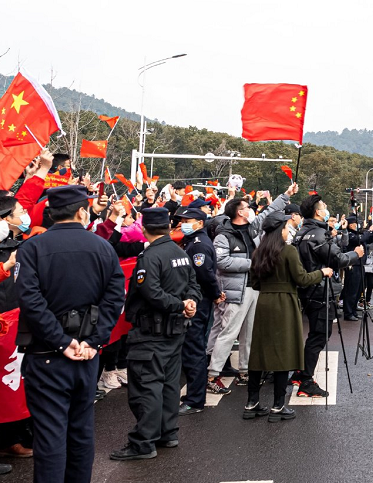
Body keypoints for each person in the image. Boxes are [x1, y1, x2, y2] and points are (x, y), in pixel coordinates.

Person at [15, 185, 126, 482]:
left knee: (50, 437)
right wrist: (94, 340)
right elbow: (115, 299)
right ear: (82, 211)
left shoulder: (32, 248)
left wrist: (62, 341)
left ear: (51, 213)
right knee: (80, 431)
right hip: (87, 355)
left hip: (47, 355)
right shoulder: (102, 247)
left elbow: (30, 301)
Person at [110, 207, 200, 461]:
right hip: (175, 330)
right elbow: (194, 284)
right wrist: (190, 301)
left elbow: (152, 293)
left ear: (145, 229)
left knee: (146, 387)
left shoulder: (150, 256)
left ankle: (143, 442)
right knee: (170, 385)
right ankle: (167, 432)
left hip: (152, 331)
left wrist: (182, 304)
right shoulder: (179, 252)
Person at [244, 212, 332, 421]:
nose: (288, 230)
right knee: (283, 354)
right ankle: (277, 406)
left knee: (259, 352)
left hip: (264, 302)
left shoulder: (258, 252)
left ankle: (252, 402)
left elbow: (254, 282)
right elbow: (301, 278)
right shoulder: (288, 251)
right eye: (285, 227)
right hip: (285, 303)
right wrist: (322, 272)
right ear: (279, 230)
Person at [206, 188, 291, 392]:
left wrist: (286, 195)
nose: (250, 209)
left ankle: (244, 370)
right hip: (236, 291)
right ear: (239, 212)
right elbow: (222, 262)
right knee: (229, 333)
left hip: (254, 288)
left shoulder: (253, 228)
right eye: (246, 207)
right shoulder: (223, 236)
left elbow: (268, 212)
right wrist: (252, 263)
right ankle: (212, 375)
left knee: (250, 333)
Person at [290, 194, 361, 398]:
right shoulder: (319, 235)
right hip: (321, 289)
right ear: (317, 212)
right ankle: (306, 380)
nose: (326, 208)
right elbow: (337, 259)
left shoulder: (300, 232)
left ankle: (300, 372)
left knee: (315, 333)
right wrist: (356, 254)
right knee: (320, 335)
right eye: (323, 206)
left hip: (307, 289)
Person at [178, 207, 225, 416]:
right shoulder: (193, 242)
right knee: (191, 348)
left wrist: (215, 293)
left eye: (187, 220)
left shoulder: (199, 245)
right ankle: (193, 394)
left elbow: (204, 274)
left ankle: (195, 399)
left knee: (194, 350)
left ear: (199, 223)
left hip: (198, 301)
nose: (183, 224)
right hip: (198, 299)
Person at [341, 215, 373, 320]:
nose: (357, 225)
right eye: (355, 223)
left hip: (361, 264)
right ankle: (348, 313)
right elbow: (362, 239)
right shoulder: (350, 235)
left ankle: (353, 310)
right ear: (351, 224)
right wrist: (369, 230)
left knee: (358, 290)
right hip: (353, 265)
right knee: (351, 290)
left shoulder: (357, 234)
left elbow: (368, 239)